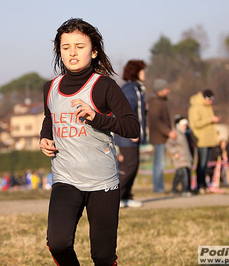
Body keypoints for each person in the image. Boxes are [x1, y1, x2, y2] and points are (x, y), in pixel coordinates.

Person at [39, 18, 140, 266]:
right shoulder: (49, 87)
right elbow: (49, 117)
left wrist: (98, 118)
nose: (72, 52)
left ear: (94, 51)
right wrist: (45, 137)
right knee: (58, 243)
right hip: (65, 179)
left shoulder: (104, 86)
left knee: (103, 257)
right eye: (66, 47)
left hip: (102, 182)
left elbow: (132, 127)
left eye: (80, 46)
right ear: (59, 51)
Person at [114, 60, 147, 208]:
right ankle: (117, 197)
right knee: (129, 166)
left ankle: (126, 196)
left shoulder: (137, 89)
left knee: (133, 165)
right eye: (142, 70)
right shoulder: (130, 89)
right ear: (136, 72)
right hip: (127, 135)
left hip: (133, 135)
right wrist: (131, 131)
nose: (144, 73)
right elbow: (126, 111)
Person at [188, 89, 220, 194]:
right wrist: (210, 120)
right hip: (201, 140)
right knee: (201, 164)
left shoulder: (208, 107)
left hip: (209, 140)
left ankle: (204, 184)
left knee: (206, 164)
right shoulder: (195, 108)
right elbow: (195, 123)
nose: (211, 101)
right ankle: (200, 184)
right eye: (209, 99)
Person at [148, 79, 176, 193]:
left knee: (160, 163)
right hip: (159, 137)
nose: (168, 90)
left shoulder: (162, 100)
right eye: (166, 88)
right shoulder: (154, 102)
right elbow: (156, 121)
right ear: (160, 90)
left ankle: (159, 186)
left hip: (163, 137)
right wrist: (168, 131)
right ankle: (158, 188)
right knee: (159, 164)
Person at [166, 115, 193, 197]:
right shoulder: (176, 134)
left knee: (179, 174)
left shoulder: (185, 134)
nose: (185, 127)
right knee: (184, 174)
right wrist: (175, 152)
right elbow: (168, 145)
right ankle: (185, 189)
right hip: (180, 158)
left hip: (186, 158)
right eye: (184, 125)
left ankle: (174, 189)